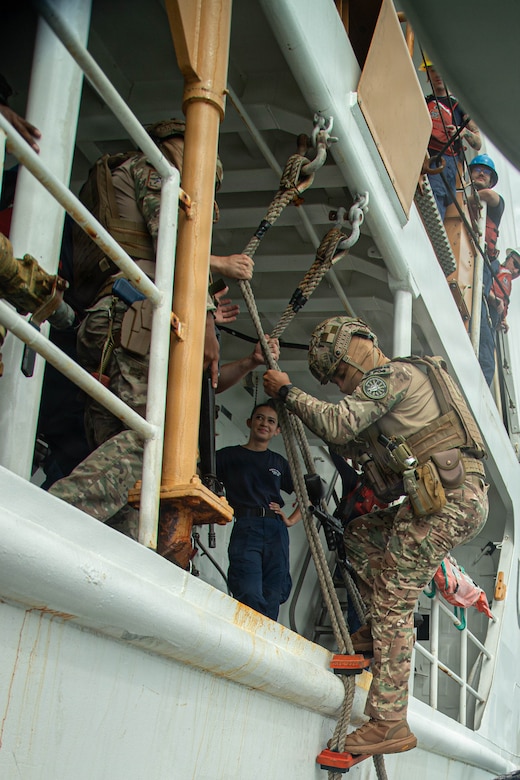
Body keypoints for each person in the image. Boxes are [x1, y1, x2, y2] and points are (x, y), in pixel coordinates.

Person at [263, 316, 488, 755]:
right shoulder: (391, 394)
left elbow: (338, 425)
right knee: (362, 535)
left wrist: (287, 393)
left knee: (394, 601)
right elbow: (350, 444)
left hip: (451, 500)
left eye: (342, 374)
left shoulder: (393, 375)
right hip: (447, 498)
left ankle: (389, 721)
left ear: (359, 348)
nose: (345, 386)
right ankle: (374, 632)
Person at [47, 119, 262, 535]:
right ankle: (55, 516)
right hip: (132, 318)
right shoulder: (152, 170)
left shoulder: (124, 173)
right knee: (157, 445)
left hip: (114, 320)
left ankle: (108, 549)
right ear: (179, 146)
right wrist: (210, 308)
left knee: (121, 456)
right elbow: (174, 243)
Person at [216, 400, 301, 620]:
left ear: (277, 431)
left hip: (275, 528)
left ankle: (265, 639)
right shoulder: (228, 456)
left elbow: (308, 495)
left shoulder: (278, 462)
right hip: (246, 526)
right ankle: (249, 636)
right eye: (260, 418)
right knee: (248, 588)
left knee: (274, 591)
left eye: (271, 421)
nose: (264, 423)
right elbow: (204, 476)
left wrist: (290, 520)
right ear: (250, 422)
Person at [421, 59, 481, 221]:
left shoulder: (460, 107)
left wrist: (463, 134)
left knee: (434, 200)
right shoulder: (424, 102)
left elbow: (478, 142)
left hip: (443, 163)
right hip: (422, 158)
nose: (438, 74)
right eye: (433, 70)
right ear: (428, 75)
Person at [466, 154, 505, 384]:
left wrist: (471, 197)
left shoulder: (494, 205)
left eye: (486, 172)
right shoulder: (459, 197)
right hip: (469, 260)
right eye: (477, 169)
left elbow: (490, 196)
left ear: (491, 179)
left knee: (481, 329)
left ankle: (481, 381)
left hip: (485, 265)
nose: (481, 173)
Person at [488, 247, 520, 333]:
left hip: (491, 323)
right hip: (484, 313)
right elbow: (484, 285)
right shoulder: (496, 267)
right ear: (509, 258)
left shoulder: (508, 285)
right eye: (516, 265)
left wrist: (502, 320)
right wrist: (495, 299)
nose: (516, 271)